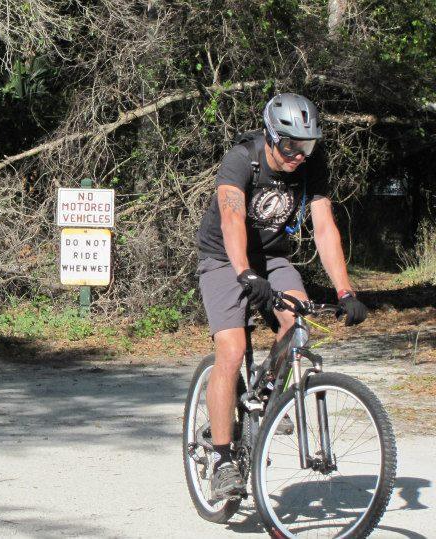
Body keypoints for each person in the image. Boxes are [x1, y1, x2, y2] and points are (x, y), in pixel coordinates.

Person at [194, 93, 368, 500]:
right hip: (223, 258)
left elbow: (324, 228)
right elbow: (232, 215)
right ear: (272, 136)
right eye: (290, 145)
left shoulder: (311, 167)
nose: (298, 155)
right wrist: (243, 272)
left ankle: (267, 403)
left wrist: (345, 291)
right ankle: (221, 460)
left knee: (298, 324)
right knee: (232, 350)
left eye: (306, 146)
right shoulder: (243, 158)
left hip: (272, 256)